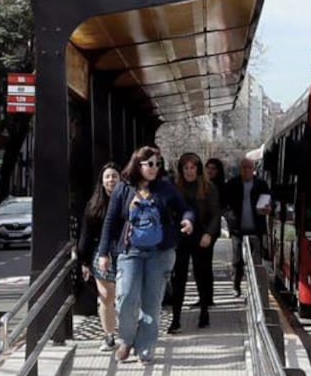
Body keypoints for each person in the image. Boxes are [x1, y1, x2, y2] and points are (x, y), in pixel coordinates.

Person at [97, 146, 195, 364]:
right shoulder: (123, 188)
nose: (154, 168)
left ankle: (146, 347)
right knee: (126, 298)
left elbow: (185, 208)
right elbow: (111, 221)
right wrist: (103, 253)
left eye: (157, 164)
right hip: (130, 252)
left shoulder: (165, 188)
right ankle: (127, 340)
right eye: (149, 164)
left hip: (159, 253)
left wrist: (188, 221)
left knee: (152, 302)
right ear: (138, 164)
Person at [168, 153, 221, 333]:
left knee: (202, 274)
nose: (189, 172)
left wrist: (209, 234)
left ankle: (204, 312)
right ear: (181, 170)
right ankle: (175, 319)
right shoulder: (175, 187)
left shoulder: (208, 187)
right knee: (179, 277)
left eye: (192, 168)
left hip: (201, 235)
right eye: (186, 168)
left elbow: (215, 214)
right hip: (181, 236)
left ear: (198, 169)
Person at [78, 163, 122, 350]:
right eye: (107, 177)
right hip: (101, 253)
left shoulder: (128, 200)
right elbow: (86, 235)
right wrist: (84, 261)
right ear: (102, 181)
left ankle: (128, 334)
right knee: (106, 296)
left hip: (125, 252)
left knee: (125, 295)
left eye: (114, 176)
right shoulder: (94, 204)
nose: (111, 180)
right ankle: (109, 335)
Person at [222, 157, 271, 296]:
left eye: (250, 168)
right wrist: (229, 216)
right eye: (244, 168)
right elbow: (223, 204)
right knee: (237, 260)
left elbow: (268, 201)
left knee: (256, 259)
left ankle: (255, 288)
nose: (247, 171)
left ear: (254, 169)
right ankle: (236, 286)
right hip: (238, 228)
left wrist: (267, 209)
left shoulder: (261, 184)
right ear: (240, 169)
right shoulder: (232, 184)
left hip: (256, 228)